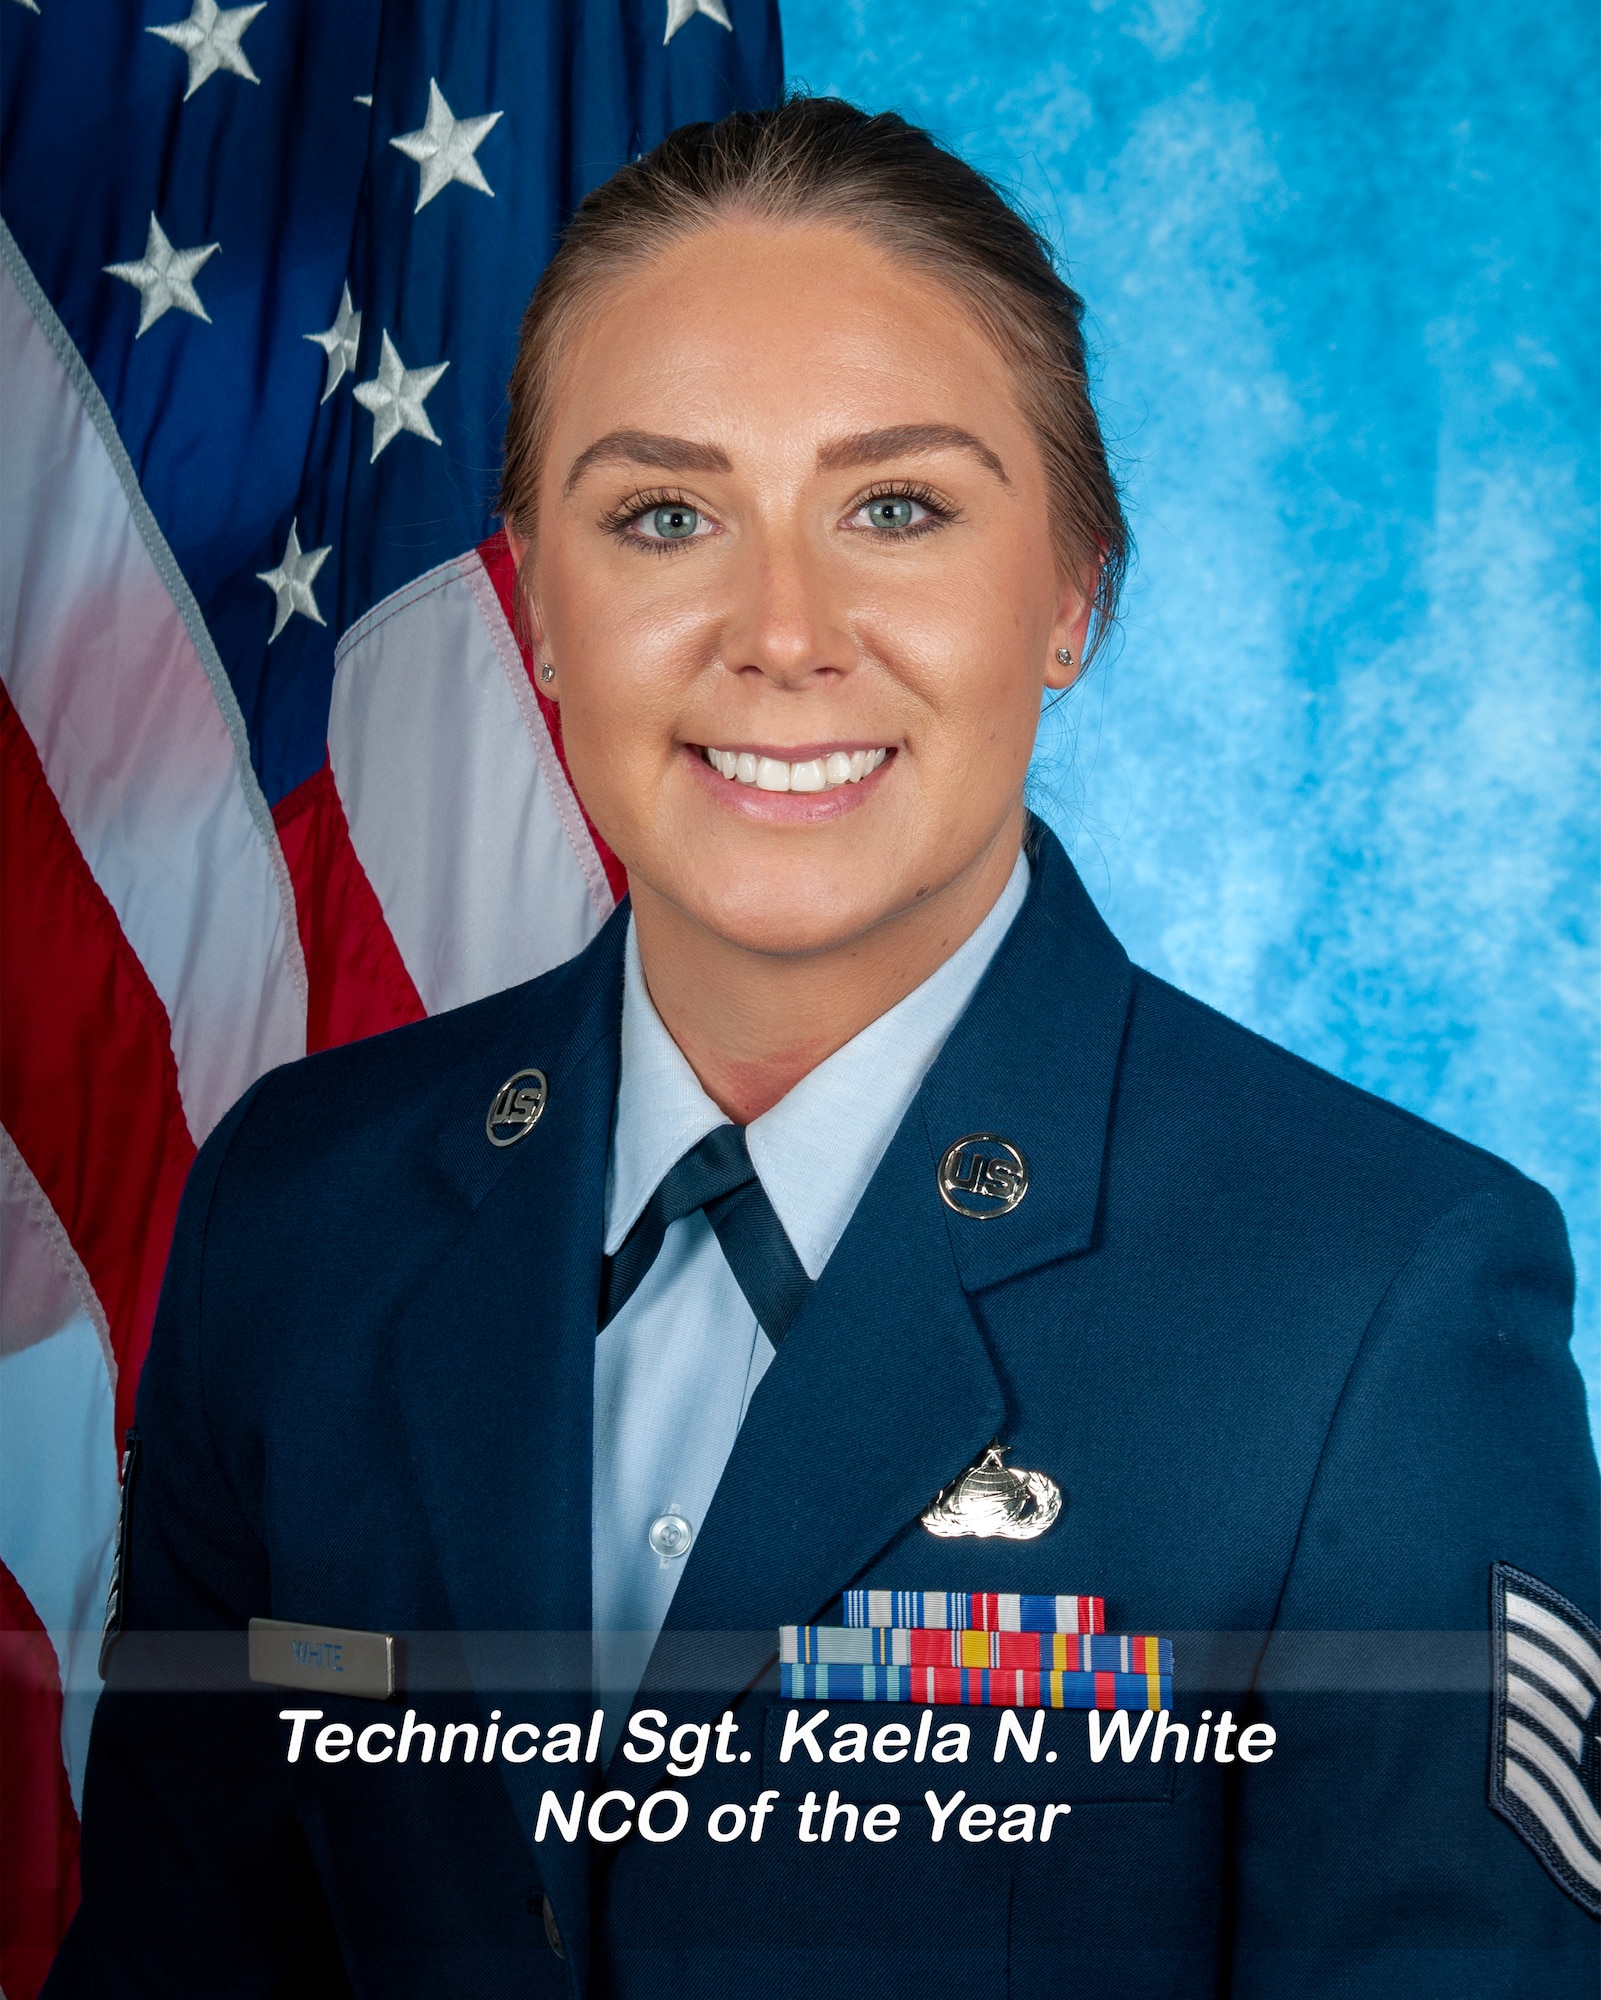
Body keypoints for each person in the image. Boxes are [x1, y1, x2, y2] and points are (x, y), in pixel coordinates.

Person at [51, 97, 1598, 1999]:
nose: (782, 634)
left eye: (896, 508)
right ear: (532, 610)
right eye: (664, 516)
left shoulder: (1374, 1304)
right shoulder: (304, 1211)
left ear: (1069, 594)